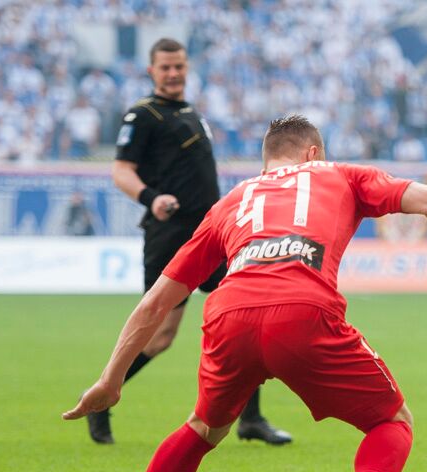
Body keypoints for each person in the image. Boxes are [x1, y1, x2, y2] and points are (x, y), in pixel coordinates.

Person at [63, 114, 427, 472]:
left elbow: (157, 301)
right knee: (392, 421)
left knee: (202, 429)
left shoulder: (232, 202)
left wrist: (111, 379)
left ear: (267, 159)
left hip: (227, 315)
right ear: (313, 153)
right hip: (303, 311)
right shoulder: (340, 174)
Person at [94, 37, 290, 446]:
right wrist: (152, 198)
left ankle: (251, 419)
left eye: (179, 66)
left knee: (247, 318)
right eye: (165, 67)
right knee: (160, 336)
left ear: (187, 68)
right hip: (171, 234)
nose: (173, 73)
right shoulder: (142, 115)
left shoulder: (191, 113)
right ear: (152, 71)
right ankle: (100, 397)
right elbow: (121, 171)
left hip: (213, 234)